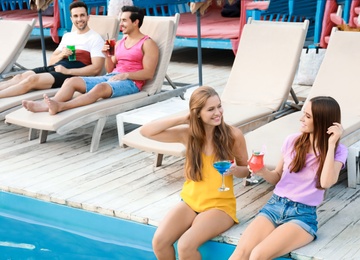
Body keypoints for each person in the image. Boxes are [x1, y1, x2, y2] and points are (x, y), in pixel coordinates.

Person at [229, 96, 348, 260]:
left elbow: (326, 182)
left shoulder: (338, 150)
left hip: (302, 216)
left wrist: (331, 144)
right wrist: (262, 171)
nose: (301, 118)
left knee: (257, 255)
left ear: (321, 121)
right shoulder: (292, 141)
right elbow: (278, 177)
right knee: (240, 254)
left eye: (307, 116)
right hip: (274, 206)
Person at [140, 86, 249, 260]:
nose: (218, 112)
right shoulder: (188, 134)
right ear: (197, 113)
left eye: (219, 106)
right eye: (211, 109)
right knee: (159, 242)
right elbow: (146, 131)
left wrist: (236, 170)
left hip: (220, 207)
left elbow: (247, 171)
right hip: (190, 202)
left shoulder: (233, 135)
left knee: (185, 246)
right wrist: (183, 118)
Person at [22, 5, 159, 115]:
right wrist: (107, 55)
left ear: (135, 22)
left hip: (131, 83)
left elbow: (148, 73)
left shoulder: (147, 43)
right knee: (72, 81)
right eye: (120, 20)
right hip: (112, 77)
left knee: (100, 88)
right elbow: (111, 69)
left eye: (124, 20)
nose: (120, 24)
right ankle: (45, 105)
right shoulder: (119, 43)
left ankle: (61, 106)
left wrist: (126, 75)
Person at [0, 1, 105, 98]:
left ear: (88, 17)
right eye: (75, 16)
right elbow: (52, 61)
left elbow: (96, 69)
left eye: (82, 15)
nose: (79, 19)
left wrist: (68, 71)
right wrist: (62, 55)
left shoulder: (95, 38)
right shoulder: (68, 36)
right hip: (55, 67)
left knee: (31, 80)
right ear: (71, 18)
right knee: (19, 77)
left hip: (69, 74)